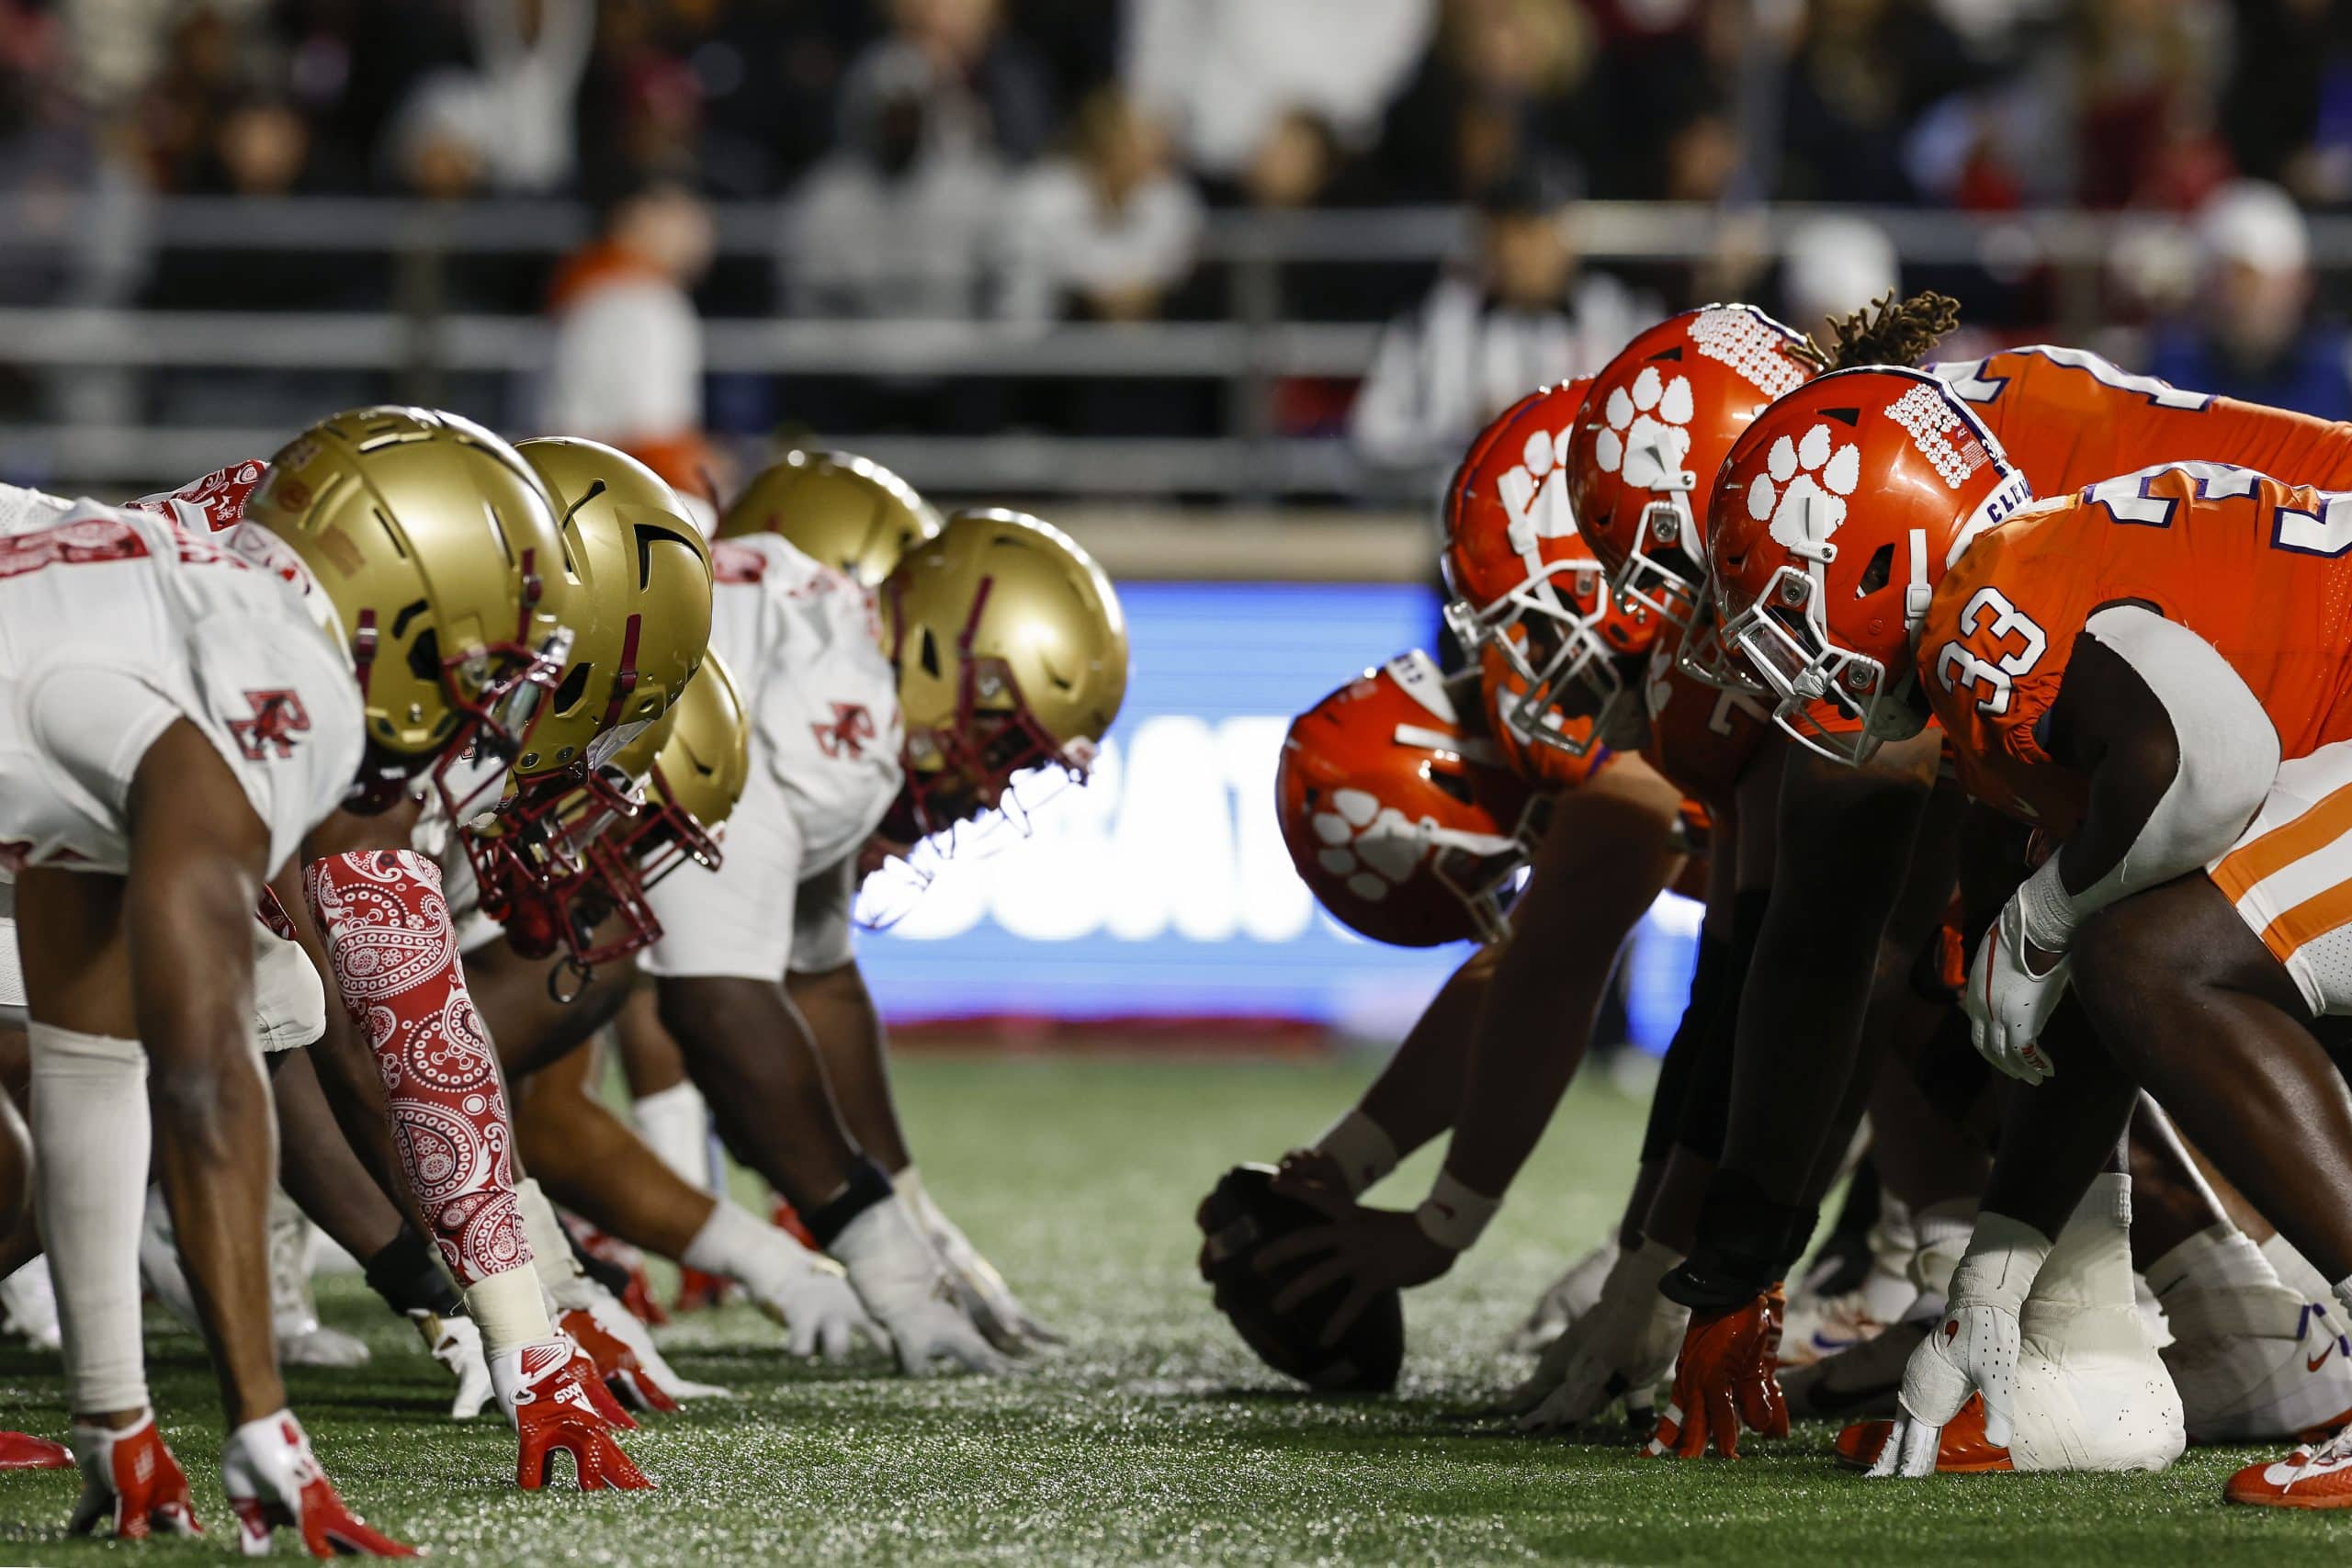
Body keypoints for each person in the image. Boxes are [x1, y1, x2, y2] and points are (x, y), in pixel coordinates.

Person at [1703, 365, 2352, 1501]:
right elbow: (2098, 1023)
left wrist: (2044, 918)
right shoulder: (2029, 574)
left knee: (2148, 955)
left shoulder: (1984, 610)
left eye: (1788, 599)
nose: (1788, 653)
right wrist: (1988, 1303)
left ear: (1877, 548)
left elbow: (2212, 768)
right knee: (2136, 958)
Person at [1351, 165, 1646, 494]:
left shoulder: (1617, 315)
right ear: (1490, 240)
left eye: (1546, 231)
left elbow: (1658, 428)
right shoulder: (1435, 322)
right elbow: (1371, 433)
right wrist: (1466, 436)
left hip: (1588, 523)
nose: (1533, 252)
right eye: (1520, 233)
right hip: (1464, 518)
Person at [544, 174, 721, 501]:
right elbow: (654, 443)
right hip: (611, 499)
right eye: (681, 212)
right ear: (635, 217)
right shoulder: (644, 300)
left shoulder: (586, 287)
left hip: (566, 484)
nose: (702, 229)